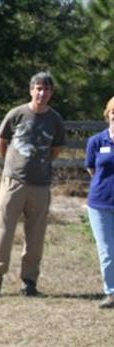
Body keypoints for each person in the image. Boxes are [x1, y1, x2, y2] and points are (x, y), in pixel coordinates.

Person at [0, 71, 66, 298]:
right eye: (38, 88)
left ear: (51, 93)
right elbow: (1, 141)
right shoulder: (17, 114)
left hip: (40, 185)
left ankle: (29, 281)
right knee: (2, 231)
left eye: (47, 89)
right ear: (31, 90)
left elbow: (55, 150)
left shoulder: (55, 120)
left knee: (36, 235)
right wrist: (12, 165)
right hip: (13, 182)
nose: (42, 93)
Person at [85, 96, 114, 309]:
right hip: (100, 204)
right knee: (106, 250)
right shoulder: (96, 141)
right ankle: (111, 292)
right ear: (108, 114)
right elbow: (92, 169)